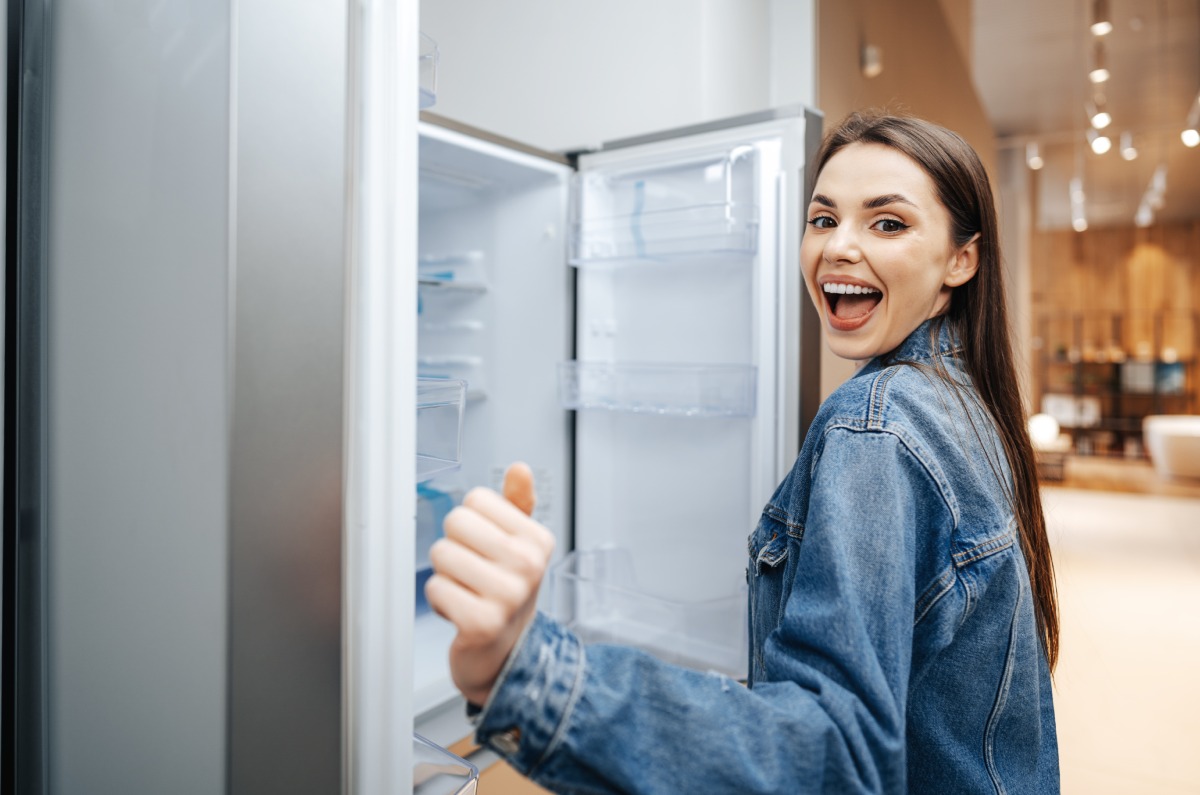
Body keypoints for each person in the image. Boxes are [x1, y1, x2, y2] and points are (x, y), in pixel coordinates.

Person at [424, 111, 1060, 794]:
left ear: (961, 259)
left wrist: (522, 669)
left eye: (887, 223)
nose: (839, 248)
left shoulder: (877, 426)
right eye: (822, 219)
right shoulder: (961, 397)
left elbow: (835, 757)